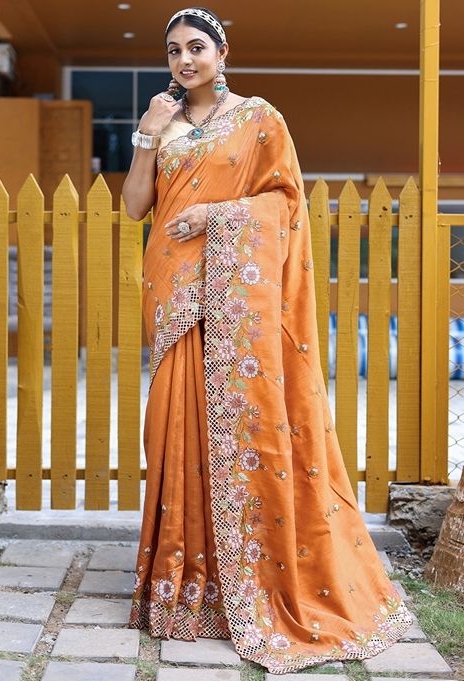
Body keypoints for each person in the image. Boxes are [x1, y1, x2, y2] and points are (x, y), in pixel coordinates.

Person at [123, 6, 414, 674]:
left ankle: (245, 586)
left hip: (236, 302)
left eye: (196, 47)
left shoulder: (260, 119)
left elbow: (283, 206)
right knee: (171, 429)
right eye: (172, 52)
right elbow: (138, 207)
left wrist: (214, 215)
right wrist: (144, 136)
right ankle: (184, 586)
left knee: (242, 429)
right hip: (175, 294)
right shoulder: (161, 124)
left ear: (222, 51)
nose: (184, 60)